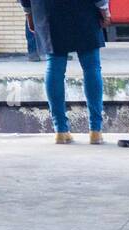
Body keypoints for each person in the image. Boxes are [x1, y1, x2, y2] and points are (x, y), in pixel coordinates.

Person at [22, 0, 111, 144]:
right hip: (83, 8)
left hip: (48, 9)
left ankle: (60, 131)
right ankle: (96, 131)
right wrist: (104, 7)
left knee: (54, 67)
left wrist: (28, 10)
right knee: (91, 67)